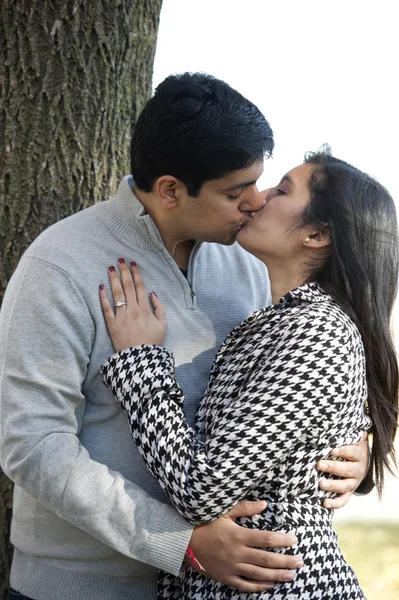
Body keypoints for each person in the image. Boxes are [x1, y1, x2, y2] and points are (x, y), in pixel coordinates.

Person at [0, 74, 369, 600]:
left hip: (208, 588)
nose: (256, 201)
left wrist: (344, 444)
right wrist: (180, 542)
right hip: (82, 586)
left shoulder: (250, 261)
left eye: (261, 184)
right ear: (171, 189)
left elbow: (278, 395)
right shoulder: (59, 265)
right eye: (236, 192)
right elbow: (32, 445)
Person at [99, 148, 398, 599]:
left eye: (281, 190)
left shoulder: (315, 331)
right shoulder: (279, 320)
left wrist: (141, 361)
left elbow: (201, 488)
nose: (258, 200)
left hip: (277, 583)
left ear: (317, 234)